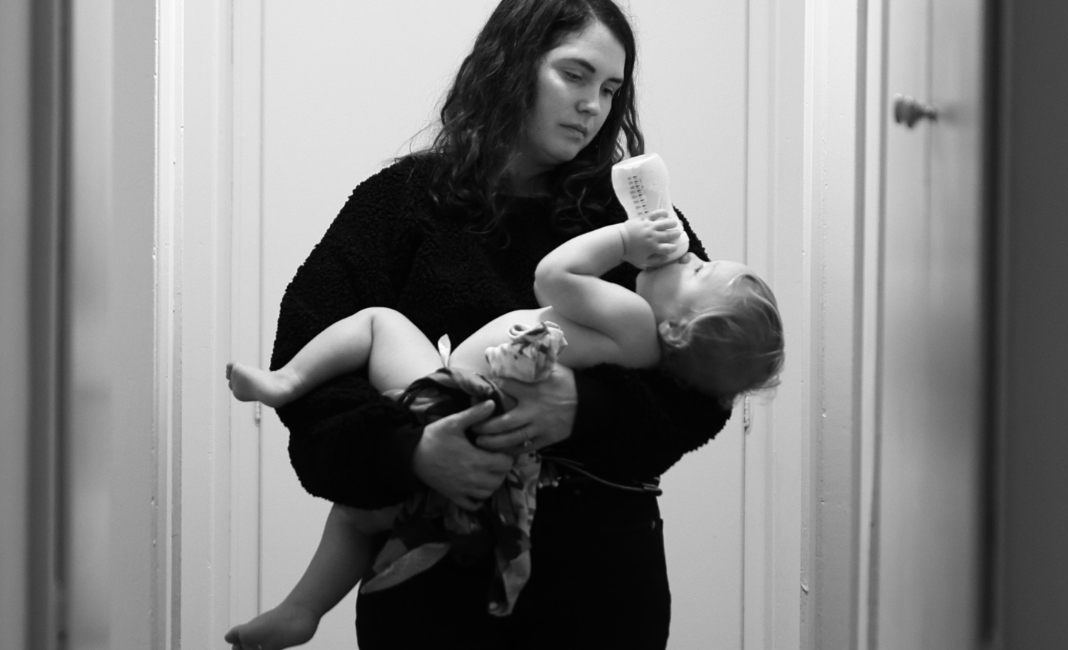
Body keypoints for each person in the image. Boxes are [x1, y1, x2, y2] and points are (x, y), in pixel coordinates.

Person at [235, 1, 737, 647]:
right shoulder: (398, 206)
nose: (594, 105)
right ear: (512, 65)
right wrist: (410, 451)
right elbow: (310, 379)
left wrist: (585, 406)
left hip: (602, 590)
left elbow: (707, 386)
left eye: (611, 89)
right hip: (432, 597)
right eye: (576, 75)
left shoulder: (638, 225)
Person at [225, 204, 783, 649]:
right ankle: (301, 610)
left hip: (456, 397)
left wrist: (623, 240)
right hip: (476, 434)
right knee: (365, 513)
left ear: (682, 330)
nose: (689, 253)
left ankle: (288, 383)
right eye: (575, 75)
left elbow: (553, 276)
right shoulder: (646, 340)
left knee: (380, 326)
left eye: (701, 270)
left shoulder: (636, 317)